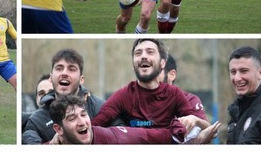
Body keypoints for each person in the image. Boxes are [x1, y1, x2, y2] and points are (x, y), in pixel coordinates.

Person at [91, 39, 210, 143]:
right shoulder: (123, 95)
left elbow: (207, 130)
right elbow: (94, 127)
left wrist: (195, 120)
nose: (143, 56)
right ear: (133, 65)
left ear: (162, 63)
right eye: (138, 53)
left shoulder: (174, 94)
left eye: (150, 52)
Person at [48, 95, 221, 144]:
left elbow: (160, 137)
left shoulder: (113, 138)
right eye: (72, 118)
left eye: (84, 115)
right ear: (58, 129)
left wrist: (196, 139)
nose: (82, 122)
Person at [22, 49, 107, 144]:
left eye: (71, 69)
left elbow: (122, 136)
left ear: (81, 79)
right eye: (59, 68)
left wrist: (76, 135)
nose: (64, 73)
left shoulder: (101, 107)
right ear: (50, 78)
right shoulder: (37, 121)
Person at [227, 46, 261, 144]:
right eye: (233, 72)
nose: (237, 78)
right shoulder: (236, 110)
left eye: (244, 71)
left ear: (260, 73)